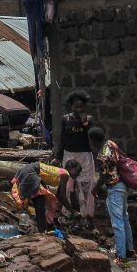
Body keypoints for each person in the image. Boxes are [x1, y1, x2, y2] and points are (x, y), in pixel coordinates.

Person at [90, 124, 135, 261]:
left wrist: (95, 190)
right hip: (123, 185)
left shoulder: (102, 155)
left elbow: (103, 177)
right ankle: (130, 250)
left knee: (117, 223)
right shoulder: (110, 143)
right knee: (125, 219)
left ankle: (120, 255)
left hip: (114, 188)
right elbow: (123, 156)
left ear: (93, 140)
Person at [54, 92, 98, 223]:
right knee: (68, 186)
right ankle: (70, 212)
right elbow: (62, 139)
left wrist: (85, 123)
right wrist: (58, 156)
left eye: (81, 107)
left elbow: (92, 136)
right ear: (71, 106)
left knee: (86, 185)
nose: (79, 110)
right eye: (76, 107)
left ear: (85, 107)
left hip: (85, 156)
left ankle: (87, 215)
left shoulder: (89, 120)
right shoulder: (65, 119)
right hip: (69, 155)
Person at [9, 160, 68, 231]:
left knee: (41, 201)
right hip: (30, 173)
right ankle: (42, 230)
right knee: (40, 202)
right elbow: (62, 195)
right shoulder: (66, 175)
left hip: (27, 171)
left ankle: (44, 227)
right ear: (72, 170)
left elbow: (59, 194)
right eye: (77, 173)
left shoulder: (61, 172)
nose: (77, 175)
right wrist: (72, 211)